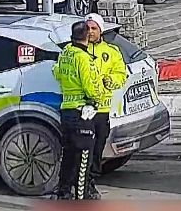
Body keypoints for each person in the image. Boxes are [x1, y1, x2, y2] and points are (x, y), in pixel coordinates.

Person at [52, 21, 112, 200]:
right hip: (82, 113)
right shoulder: (83, 58)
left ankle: (63, 194)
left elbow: (56, 73)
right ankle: (81, 199)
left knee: (68, 156)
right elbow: (90, 87)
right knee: (83, 160)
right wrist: (100, 97)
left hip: (67, 111)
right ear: (86, 36)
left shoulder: (65, 54)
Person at [85, 13, 127, 181]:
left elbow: (121, 75)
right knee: (82, 147)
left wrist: (110, 80)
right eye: (87, 28)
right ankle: (81, 179)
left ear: (100, 30)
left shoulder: (111, 52)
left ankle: (92, 179)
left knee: (98, 146)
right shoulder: (77, 50)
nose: (90, 32)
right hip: (81, 108)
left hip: (102, 108)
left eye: (94, 28)